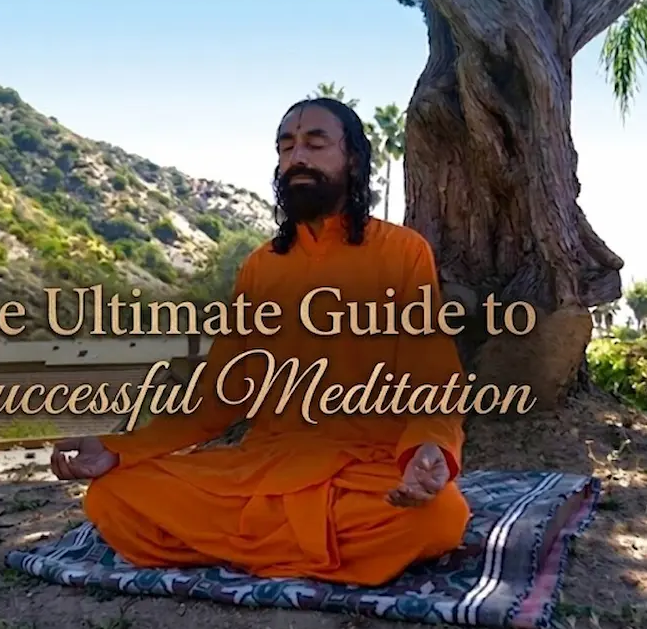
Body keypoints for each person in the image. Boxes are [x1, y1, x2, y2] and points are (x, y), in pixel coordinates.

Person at [50, 97, 470, 587]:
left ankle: (242, 549)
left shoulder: (402, 252)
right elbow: (220, 398)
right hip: (263, 467)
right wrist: (120, 449)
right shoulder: (261, 266)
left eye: (315, 143)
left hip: (362, 465)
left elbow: (431, 374)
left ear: (352, 159)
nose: (298, 158)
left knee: (439, 517)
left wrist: (428, 449)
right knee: (111, 496)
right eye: (286, 146)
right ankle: (303, 551)